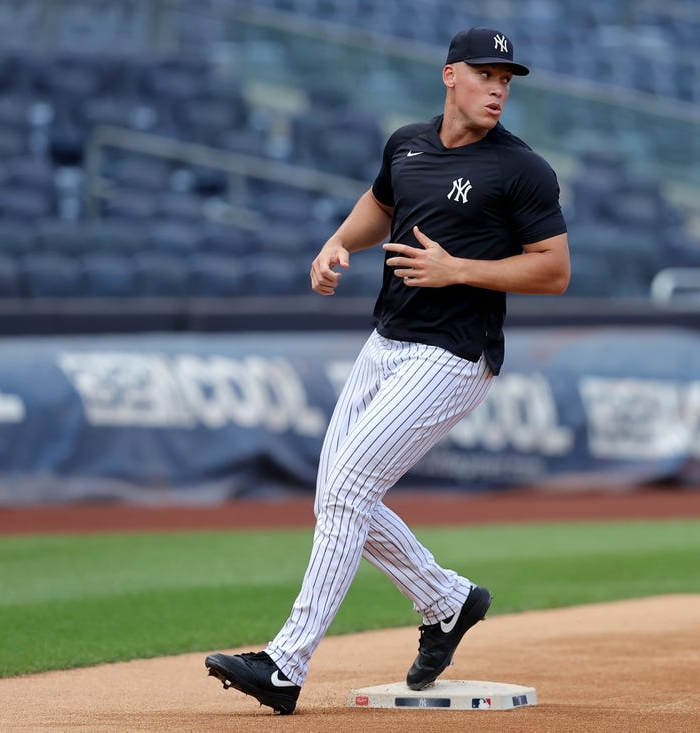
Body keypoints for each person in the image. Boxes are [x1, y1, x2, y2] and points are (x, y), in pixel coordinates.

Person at [204, 26, 570, 715]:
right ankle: (448, 600)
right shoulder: (407, 142)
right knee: (336, 495)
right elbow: (381, 205)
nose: (497, 88)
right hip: (387, 341)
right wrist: (337, 241)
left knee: (346, 486)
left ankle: (285, 663)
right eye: (485, 73)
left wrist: (458, 268)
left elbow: (554, 270)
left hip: (455, 354)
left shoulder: (521, 169)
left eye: (507, 78)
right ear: (449, 76)